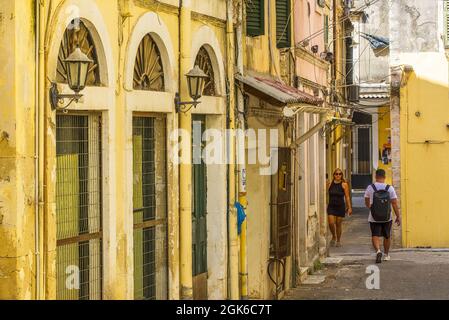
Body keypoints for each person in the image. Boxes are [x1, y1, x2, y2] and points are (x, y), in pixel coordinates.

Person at [364, 169, 401, 263]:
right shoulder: (390, 188)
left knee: (375, 234)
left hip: (374, 216)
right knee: (387, 236)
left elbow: (366, 199)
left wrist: (370, 207)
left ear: (376, 177)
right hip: (387, 217)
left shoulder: (370, 187)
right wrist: (398, 216)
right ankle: (387, 254)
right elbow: (394, 203)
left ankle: (378, 251)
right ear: (384, 177)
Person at [327, 168, 352, 247]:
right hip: (331, 206)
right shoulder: (330, 183)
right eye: (336, 174)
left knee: (338, 223)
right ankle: (333, 236)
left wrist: (349, 207)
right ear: (334, 175)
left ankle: (338, 240)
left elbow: (347, 197)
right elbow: (325, 193)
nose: (338, 175)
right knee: (331, 223)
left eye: (340, 174)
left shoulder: (344, 184)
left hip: (340, 206)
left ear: (342, 175)